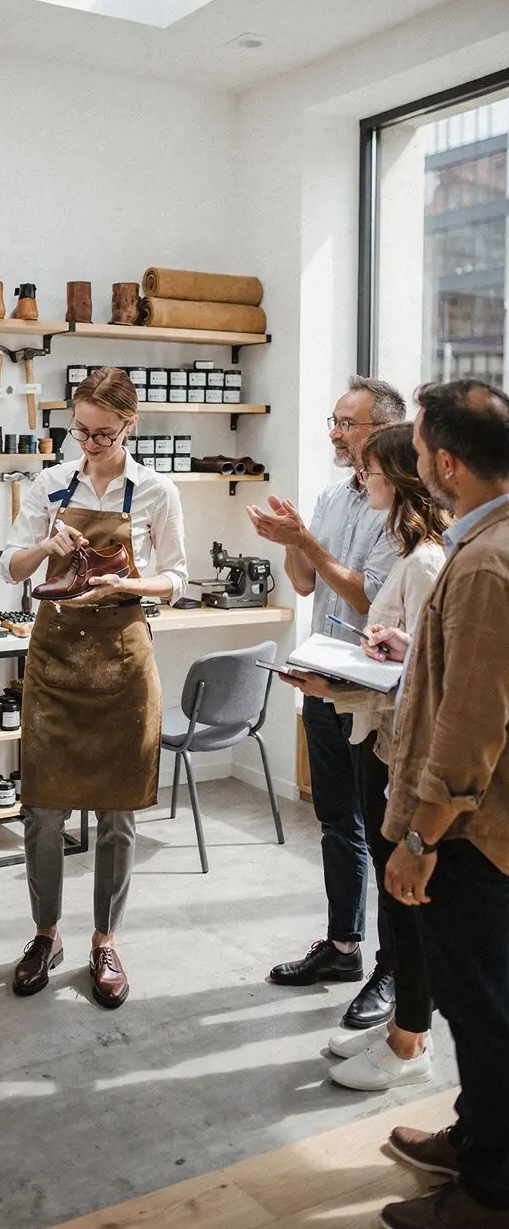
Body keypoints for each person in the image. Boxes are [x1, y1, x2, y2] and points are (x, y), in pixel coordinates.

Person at [1, 368, 187, 1008]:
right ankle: (45, 933)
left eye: (103, 432)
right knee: (44, 810)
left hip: (123, 655)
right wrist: (46, 544)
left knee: (116, 811)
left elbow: (176, 578)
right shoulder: (50, 484)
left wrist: (129, 586)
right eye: (79, 429)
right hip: (55, 658)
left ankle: (105, 940)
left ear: (129, 426)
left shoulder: (156, 490)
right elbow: (10, 567)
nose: (89, 442)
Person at [275, 422, 447, 1091]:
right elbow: (413, 652)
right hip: (377, 735)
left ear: (401, 478)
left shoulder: (428, 559)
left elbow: (436, 677)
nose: (361, 477)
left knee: (407, 896)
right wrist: (379, 650)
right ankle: (401, 1023)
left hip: (402, 745)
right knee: (385, 877)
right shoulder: (411, 555)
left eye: (372, 469)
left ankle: (410, 1039)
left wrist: (347, 679)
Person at [375, 381, 509, 1229]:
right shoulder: (483, 543)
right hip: (476, 827)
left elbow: (469, 721)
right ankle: (476, 1138)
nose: (415, 459)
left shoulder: (488, 562)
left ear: (447, 464)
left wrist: (420, 838)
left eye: (420, 447)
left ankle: (491, 1193)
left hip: (470, 834)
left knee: (484, 1010)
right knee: (477, 1002)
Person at [247, 375, 405, 1029]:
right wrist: (292, 541)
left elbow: (370, 599)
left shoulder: (396, 506)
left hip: (370, 694)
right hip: (322, 679)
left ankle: (394, 970)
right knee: (338, 821)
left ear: (383, 431)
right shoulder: (333, 495)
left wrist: (303, 540)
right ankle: (343, 946)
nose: (335, 433)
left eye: (348, 423)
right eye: (334, 421)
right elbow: (309, 586)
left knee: (385, 833)